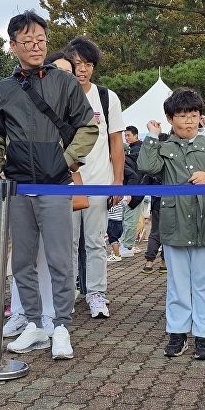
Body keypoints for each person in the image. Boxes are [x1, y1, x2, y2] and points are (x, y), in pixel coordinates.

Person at [0, 10, 98, 360]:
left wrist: (63, 162)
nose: (35, 46)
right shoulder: (4, 89)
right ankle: (33, 323)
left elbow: (88, 128)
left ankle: (61, 326)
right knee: (22, 262)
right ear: (13, 45)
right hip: (17, 188)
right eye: (27, 41)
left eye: (41, 40)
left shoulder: (65, 83)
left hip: (56, 186)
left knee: (61, 259)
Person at [137, 88, 205, 359]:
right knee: (178, 283)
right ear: (170, 118)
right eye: (182, 116)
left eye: (193, 115)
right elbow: (147, 167)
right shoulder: (163, 145)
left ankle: (204, 336)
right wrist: (151, 135)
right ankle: (177, 333)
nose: (189, 121)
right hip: (175, 223)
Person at [64, 36, 125, 319]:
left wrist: (118, 181)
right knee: (67, 242)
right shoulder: (59, 95)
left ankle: (97, 293)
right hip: (64, 184)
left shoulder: (106, 97)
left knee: (95, 242)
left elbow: (115, 142)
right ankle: (68, 292)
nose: (82, 70)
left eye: (87, 64)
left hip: (99, 180)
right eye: (77, 64)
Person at [141, 132, 169, 274]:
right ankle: (164, 263)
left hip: (157, 203)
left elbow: (144, 182)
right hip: (172, 202)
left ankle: (149, 263)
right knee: (168, 233)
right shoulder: (172, 161)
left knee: (155, 232)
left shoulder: (153, 162)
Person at [119, 125, 145, 257]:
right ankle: (127, 245)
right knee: (128, 219)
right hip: (135, 190)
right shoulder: (134, 150)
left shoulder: (137, 151)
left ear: (136, 135)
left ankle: (127, 246)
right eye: (125, 136)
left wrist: (129, 193)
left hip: (135, 191)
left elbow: (135, 175)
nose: (127, 138)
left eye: (129, 135)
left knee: (130, 220)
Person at [106, 196, 127, 262]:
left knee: (113, 239)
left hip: (112, 221)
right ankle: (117, 252)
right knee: (117, 238)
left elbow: (110, 208)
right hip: (120, 221)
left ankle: (117, 255)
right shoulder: (123, 199)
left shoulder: (113, 199)